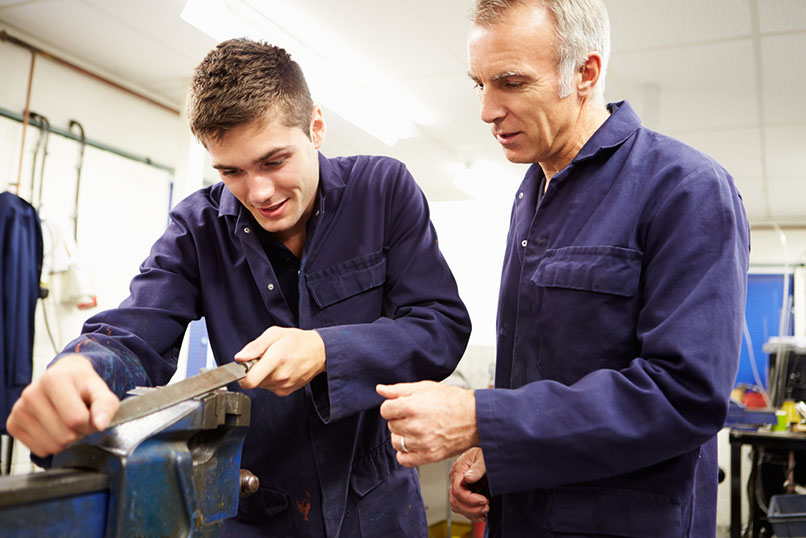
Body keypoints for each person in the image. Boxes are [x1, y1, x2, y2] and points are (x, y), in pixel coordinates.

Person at [6, 38, 471, 537]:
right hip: (257, 509)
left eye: (274, 161)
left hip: (378, 510)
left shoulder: (383, 191)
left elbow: (439, 326)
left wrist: (325, 351)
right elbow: (134, 333)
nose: (259, 192)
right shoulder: (196, 228)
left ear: (315, 126)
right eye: (231, 172)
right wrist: (81, 368)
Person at [377, 0, 750, 536]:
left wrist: (480, 418)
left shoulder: (686, 188)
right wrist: (494, 454)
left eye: (510, 82)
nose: (487, 110)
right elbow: (542, 372)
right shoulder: (531, 194)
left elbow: (685, 395)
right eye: (479, 84)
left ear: (585, 73)